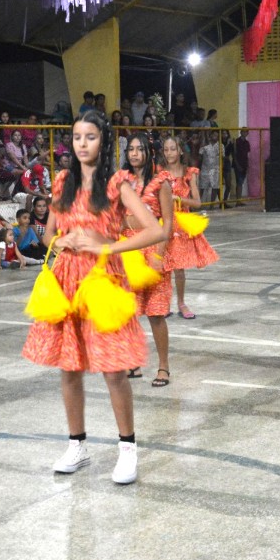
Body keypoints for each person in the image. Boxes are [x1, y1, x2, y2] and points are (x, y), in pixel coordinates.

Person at [22, 111, 165, 484]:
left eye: (90, 137)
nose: (82, 144)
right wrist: (61, 239)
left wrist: (108, 246)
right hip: (67, 279)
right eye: (77, 137)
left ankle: (128, 449)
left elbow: (154, 232)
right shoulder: (63, 181)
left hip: (104, 279)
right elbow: (49, 230)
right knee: (69, 367)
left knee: (113, 370)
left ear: (104, 140)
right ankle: (77, 445)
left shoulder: (118, 183)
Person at [122, 133, 174, 386]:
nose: (134, 154)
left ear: (149, 153)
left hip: (152, 251)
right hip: (128, 252)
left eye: (139, 149)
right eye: (130, 149)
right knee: (130, 312)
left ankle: (163, 367)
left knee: (156, 314)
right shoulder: (122, 183)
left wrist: (158, 255)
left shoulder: (161, 183)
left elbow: (167, 225)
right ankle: (133, 362)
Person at [161, 134, 219, 319]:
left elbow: (197, 202)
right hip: (164, 223)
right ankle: (164, 303)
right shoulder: (160, 173)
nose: (169, 153)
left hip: (181, 225)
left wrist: (179, 199)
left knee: (179, 268)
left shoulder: (189, 173)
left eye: (172, 149)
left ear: (179, 150)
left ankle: (181, 303)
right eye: (166, 149)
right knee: (164, 267)